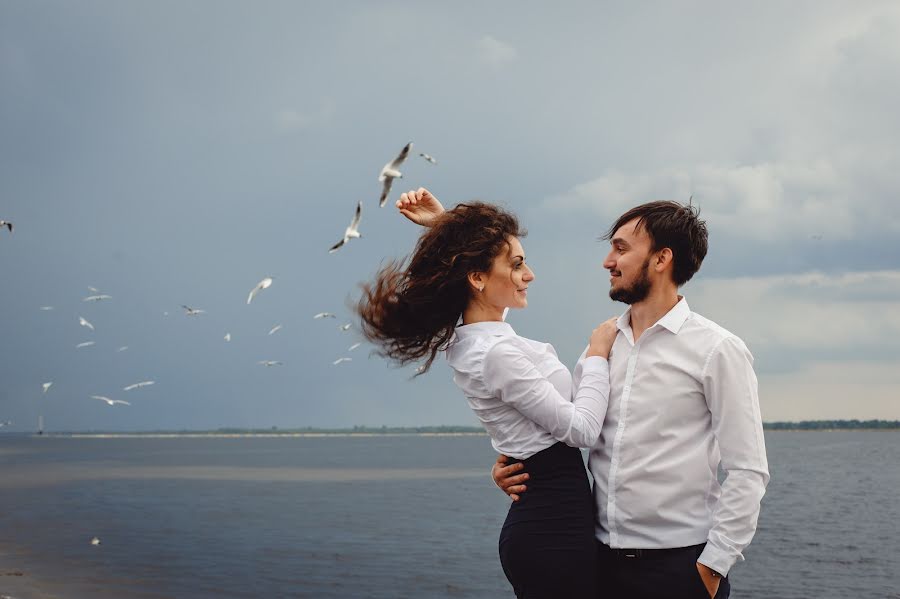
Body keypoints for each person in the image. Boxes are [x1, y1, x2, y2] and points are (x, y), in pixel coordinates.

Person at [491, 199, 770, 599]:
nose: (608, 261)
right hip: (595, 563)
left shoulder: (717, 350)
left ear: (661, 259)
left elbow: (748, 470)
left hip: (680, 571)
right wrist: (511, 466)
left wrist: (713, 566)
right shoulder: (599, 349)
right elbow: (563, 427)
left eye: (621, 249)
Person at [356, 192, 619, 599]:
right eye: (516, 265)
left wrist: (444, 225)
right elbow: (581, 431)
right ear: (477, 278)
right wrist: (599, 354)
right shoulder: (496, 353)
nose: (529, 274)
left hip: (550, 518)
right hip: (552, 529)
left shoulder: (472, 339)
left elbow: (481, 295)